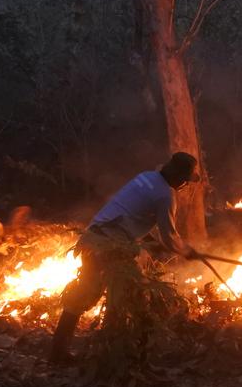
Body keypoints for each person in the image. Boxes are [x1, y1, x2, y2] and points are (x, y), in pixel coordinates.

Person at [50, 152, 201, 363]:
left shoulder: (146, 177)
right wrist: (187, 252)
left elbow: (132, 213)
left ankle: (59, 351)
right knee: (127, 296)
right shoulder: (165, 196)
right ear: (180, 179)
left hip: (94, 236)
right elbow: (170, 237)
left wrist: (151, 242)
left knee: (87, 293)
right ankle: (115, 354)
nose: (185, 185)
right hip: (110, 245)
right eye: (186, 181)